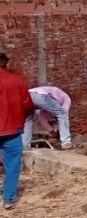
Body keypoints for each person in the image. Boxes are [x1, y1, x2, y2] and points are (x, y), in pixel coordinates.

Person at [0, 53, 34, 210]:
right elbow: (27, 104)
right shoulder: (17, 80)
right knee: (12, 165)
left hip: (10, 127)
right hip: (12, 129)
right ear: (6, 64)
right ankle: (8, 198)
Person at [23, 85, 73, 149]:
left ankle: (25, 146)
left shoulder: (49, 102)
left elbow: (42, 120)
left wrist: (51, 131)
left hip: (25, 96)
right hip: (39, 95)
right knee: (62, 113)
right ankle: (66, 143)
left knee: (27, 120)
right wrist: (61, 128)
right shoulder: (66, 97)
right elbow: (64, 112)